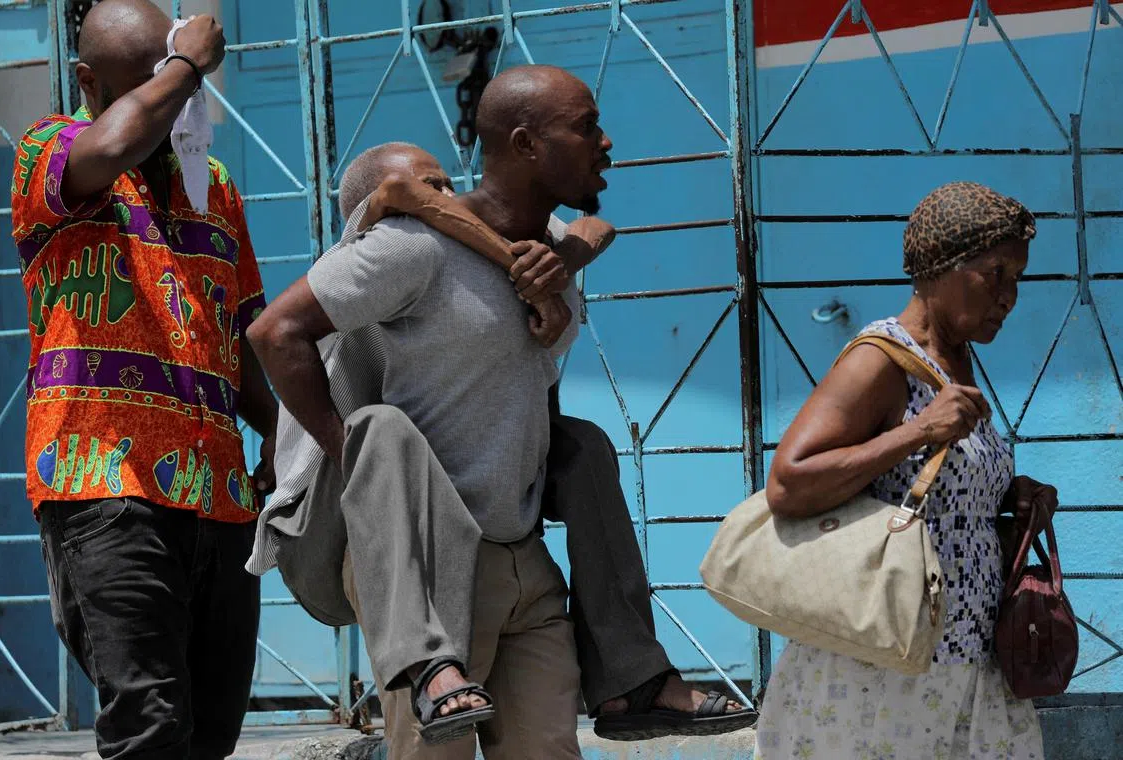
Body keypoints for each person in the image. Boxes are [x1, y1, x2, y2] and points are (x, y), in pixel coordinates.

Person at [246, 138, 752, 747]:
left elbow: (593, 224)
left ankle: (630, 678)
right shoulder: (380, 256)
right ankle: (427, 662)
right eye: (429, 191)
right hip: (370, 532)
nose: (446, 200)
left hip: (504, 543)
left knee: (583, 445)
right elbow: (283, 322)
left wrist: (561, 257)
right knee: (382, 431)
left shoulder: (490, 266)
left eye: (445, 184)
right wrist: (346, 455)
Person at [11, 2, 278, 757]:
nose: (174, 104)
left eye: (181, 88)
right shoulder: (49, 152)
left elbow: (240, 330)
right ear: (92, 83)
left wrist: (286, 437)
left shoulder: (214, 182)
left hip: (221, 497)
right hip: (103, 488)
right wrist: (187, 64)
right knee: (149, 727)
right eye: (150, 84)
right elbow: (120, 139)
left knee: (212, 733)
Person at [754, 182, 1055, 759]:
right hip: (884, 672)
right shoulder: (879, 361)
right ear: (941, 268)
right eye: (995, 274)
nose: (1009, 295)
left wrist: (1013, 499)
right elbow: (789, 483)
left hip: (968, 659)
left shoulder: (955, 360)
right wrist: (919, 430)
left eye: (1017, 277)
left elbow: (935, 489)